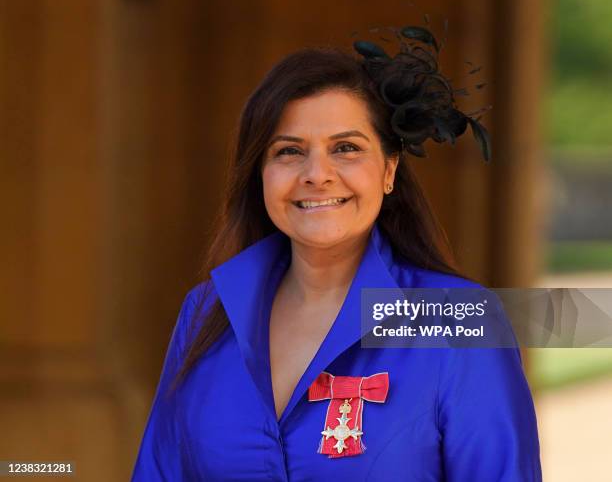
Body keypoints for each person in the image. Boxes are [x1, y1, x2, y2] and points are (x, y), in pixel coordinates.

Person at [131, 26, 542, 481]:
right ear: (260, 175)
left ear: (389, 169)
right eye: (288, 151)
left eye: (346, 148)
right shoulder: (205, 313)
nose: (317, 175)